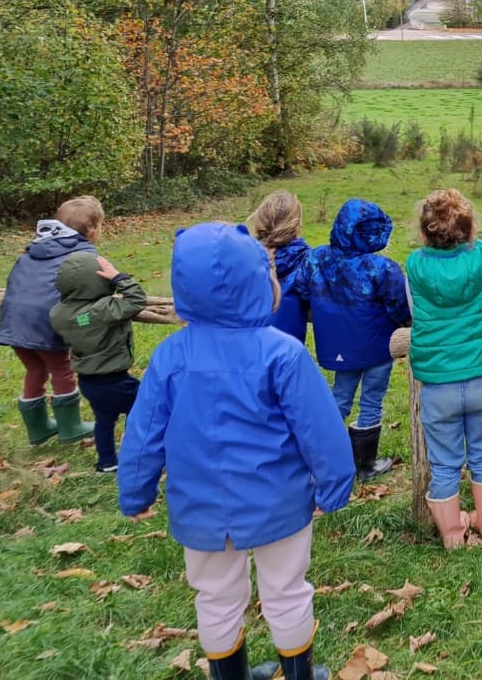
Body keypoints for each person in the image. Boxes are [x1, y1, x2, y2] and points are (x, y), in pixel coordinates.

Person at [119, 223, 353, 680]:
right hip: (277, 501)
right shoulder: (282, 353)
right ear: (257, 284)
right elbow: (321, 430)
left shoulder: (171, 356)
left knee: (214, 595)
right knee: (287, 590)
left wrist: (135, 491)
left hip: (200, 505)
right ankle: (299, 674)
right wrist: (333, 487)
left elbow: (143, 432)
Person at [405, 189, 482, 547]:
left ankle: (452, 534)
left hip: (438, 383)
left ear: (423, 233)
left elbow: (415, 312)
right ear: (469, 229)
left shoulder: (415, 265)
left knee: (445, 461)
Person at [299, 198, 410, 482]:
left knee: (340, 397)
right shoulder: (382, 268)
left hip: (337, 345)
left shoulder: (315, 259)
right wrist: (404, 322)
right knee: (372, 399)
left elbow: (301, 288)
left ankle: (321, 458)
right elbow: (400, 304)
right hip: (376, 344)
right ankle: (364, 464)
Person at [0, 196, 102, 446]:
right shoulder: (83, 254)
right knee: (61, 369)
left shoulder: (33, 248)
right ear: (93, 230)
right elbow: (92, 286)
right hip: (45, 324)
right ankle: (71, 426)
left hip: (14, 322)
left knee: (35, 369)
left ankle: (38, 428)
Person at [48, 253, 148, 472]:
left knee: (104, 421)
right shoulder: (103, 310)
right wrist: (118, 278)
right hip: (116, 382)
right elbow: (137, 299)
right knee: (145, 407)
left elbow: (82, 320)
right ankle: (139, 455)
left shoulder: (58, 314)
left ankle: (107, 463)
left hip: (88, 382)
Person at [246, 191, 310, 343]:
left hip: (245, 352)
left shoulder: (243, 256)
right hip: (286, 353)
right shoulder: (306, 262)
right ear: (296, 228)